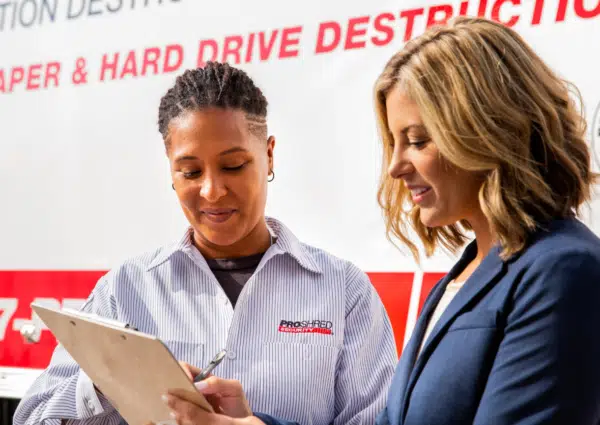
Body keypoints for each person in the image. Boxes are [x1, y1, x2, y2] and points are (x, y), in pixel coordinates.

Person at [161, 16, 600, 425]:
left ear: (491, 128)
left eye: (417, 140)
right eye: (394, 142)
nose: (396, 167)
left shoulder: (561, 271)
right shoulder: (469, 271)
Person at [13, 62, 397, 425]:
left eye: (233, 166)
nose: (212, 191)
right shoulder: (125, 290)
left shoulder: (343, 291)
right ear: (171, 173)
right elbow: (32, 416)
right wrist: (111, 379)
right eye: (191, 171)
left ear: (268, 155)